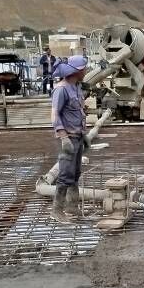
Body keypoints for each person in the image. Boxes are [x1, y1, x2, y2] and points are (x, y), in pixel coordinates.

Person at [50, 56, 89, 222]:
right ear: (77, 71)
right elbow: (54, 114)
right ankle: (56, 211)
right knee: (65, 174)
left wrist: (84, 134)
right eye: (84, 69)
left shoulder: (77, 87)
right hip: (68, 138)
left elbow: (78, 112)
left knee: (75, 174)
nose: (86, 71)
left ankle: (72, 207)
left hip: (78, 137)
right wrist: (63, 137)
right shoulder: (62, 89)